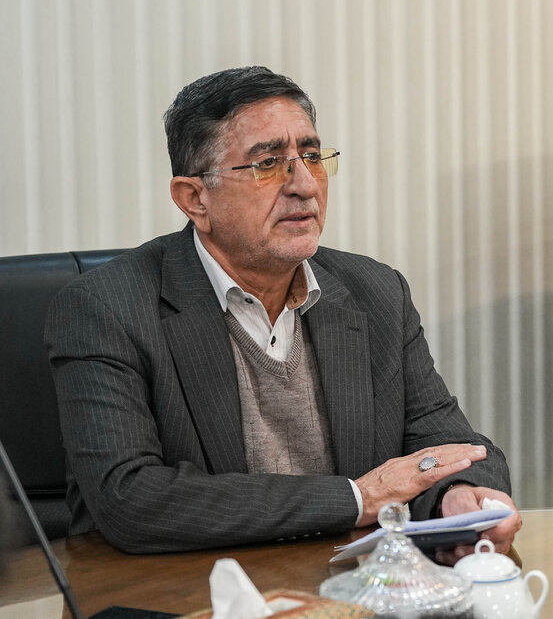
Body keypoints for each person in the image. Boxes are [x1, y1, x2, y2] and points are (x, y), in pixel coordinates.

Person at [45, 66, 521, 557]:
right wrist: (356, 499)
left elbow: (453, 445)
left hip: (347, 588)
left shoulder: (375, 291)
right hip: (180, 589)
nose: (305, 185)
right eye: (269, 163)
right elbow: (131, 498)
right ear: (195, 199)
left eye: (312, 157)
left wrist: (457, 496)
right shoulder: (105, 309)